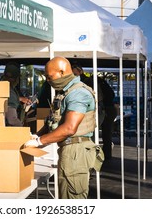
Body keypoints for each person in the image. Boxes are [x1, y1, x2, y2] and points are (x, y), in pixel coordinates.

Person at [25, 57, 103, 199]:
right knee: (64, 194)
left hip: (75, 151)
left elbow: (69, 128)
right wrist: (37, 135)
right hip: (70, 150)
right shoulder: (65, 93)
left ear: (61, 72)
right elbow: (54, 120)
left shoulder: (78, 94)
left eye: (50, 77)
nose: (48, 80)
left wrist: (40, 141)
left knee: (71, 198)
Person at [1, 62, 30, 127]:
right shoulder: (10, 91)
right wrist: (23, 130)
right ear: (16, 79)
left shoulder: (0, 87)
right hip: (8, 129)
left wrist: (19, 99)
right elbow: (12, 120)